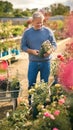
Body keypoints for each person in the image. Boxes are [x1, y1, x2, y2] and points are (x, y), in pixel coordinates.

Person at [21, 11, 57, 105]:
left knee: (44, 83)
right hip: (33, 62)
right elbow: (23, 47)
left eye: (41, 22)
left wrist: (49, 51)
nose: (40, 24)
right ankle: (31, 103)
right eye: (37, 22)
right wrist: (32, 51)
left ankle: (42, 103)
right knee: (31, 82)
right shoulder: (27, 33)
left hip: (46, 62)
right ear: (32, 21)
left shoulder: (48, 31)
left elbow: (54, 44)